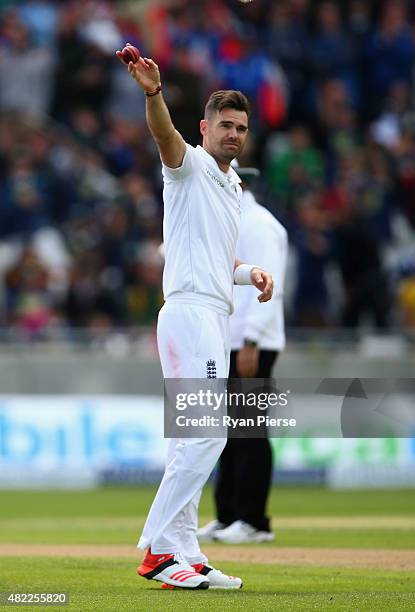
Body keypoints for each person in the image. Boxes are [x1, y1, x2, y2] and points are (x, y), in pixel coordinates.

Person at [116, 44, 273, 590]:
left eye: (241, 127)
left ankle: (185, 552)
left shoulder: (230, 185)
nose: (233, 134)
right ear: (204, 128)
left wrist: (248, 271)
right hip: (189, 315)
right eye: (225, 125)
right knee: (207, 435)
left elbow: (214, 257)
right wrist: (154, 93)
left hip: (211, 312)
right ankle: (159, 550)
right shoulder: (189, 166)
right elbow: (163, 136)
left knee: (190, 440)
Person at [198, 164, 288, 544]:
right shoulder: (233, 222)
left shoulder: (259, 224)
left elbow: (271, 285)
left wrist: (251, 340)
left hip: (252, 342)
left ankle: (254, 521)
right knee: (230, 432)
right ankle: (228, 515)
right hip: (230, 339)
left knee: (250, 430)